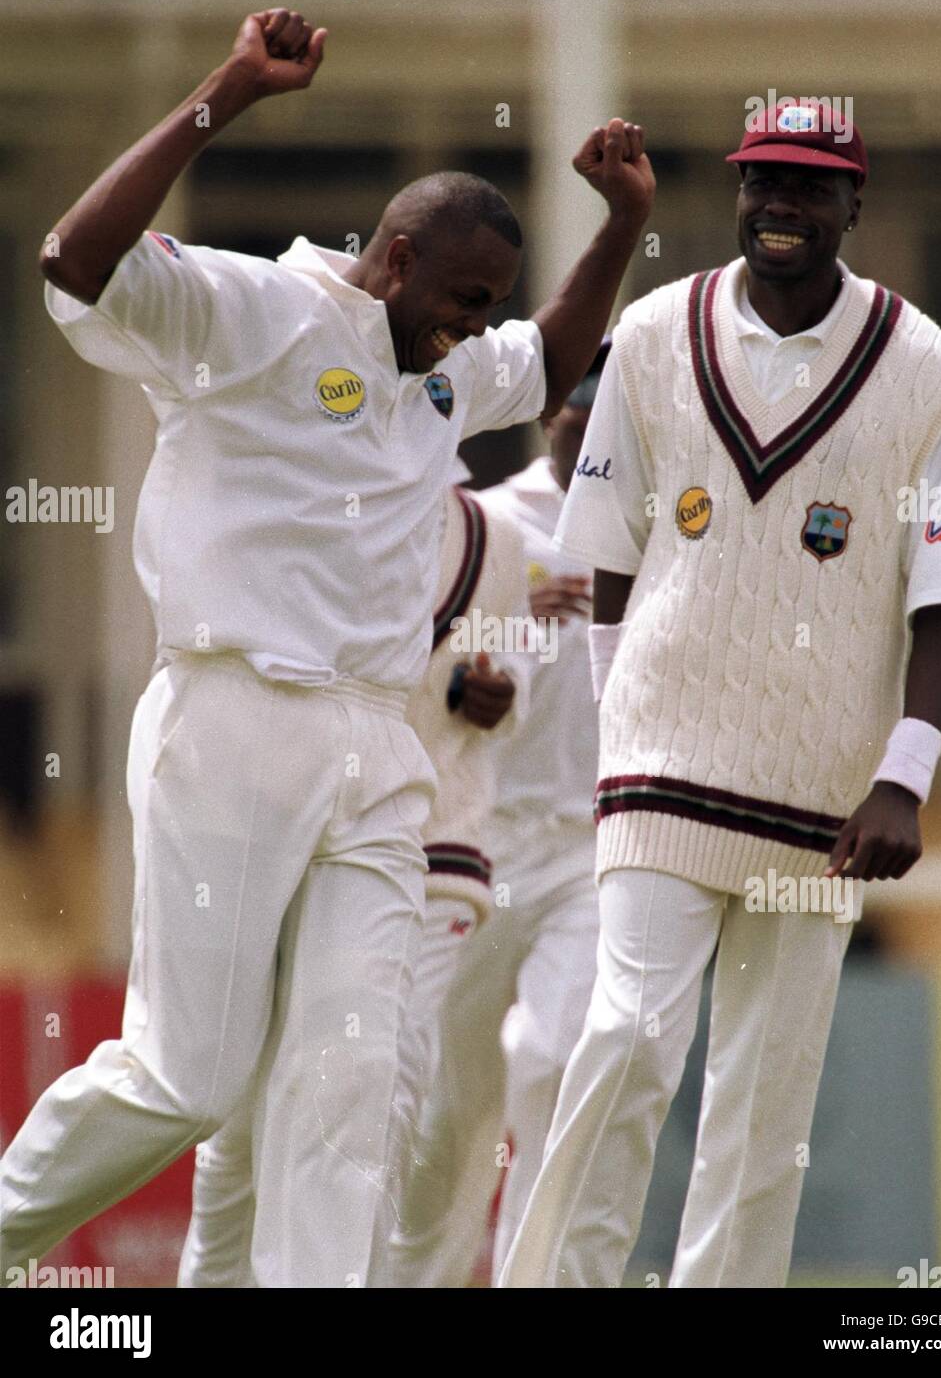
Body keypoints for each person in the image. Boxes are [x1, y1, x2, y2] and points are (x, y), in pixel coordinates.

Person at [0, 7, 655, 1287]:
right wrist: (228, 93)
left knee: (349, 1076)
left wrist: (624, 224)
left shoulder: (448, 376)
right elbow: (74, 260)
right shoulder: (257, 312)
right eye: (462, 301)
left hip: (377, 743)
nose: (473, 330)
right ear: (395, 257)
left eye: (487, 311)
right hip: (235, 716)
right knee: (191, 1076)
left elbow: (555, 353)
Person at [498, 101, 941, 1289]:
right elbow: (598, 543)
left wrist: (903, 778)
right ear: (738, 190)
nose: (781, 206)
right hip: (661, 765)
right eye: (763, 181)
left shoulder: (924, 369)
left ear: (853, 204)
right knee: (621, 1046)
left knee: (765, 1106)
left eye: (811, 187)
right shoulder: (657, 332)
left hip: (820, 801)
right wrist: (622, 719)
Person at [177, 482, 529, 1287]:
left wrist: (496, 696)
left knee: (385, 1076)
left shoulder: (495, 536)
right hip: (290, 832)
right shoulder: (307, 499)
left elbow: (514, 678)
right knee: (241, 1108)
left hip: (434, 835)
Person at [382, 347, 608, 1288]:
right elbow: (457, 681)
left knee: (553, 1061)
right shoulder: (493, 524)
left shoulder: (663, 530)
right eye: (573, 412)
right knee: (450, 1111)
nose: (586, 431)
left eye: (604, 421)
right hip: (486, 839)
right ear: (549, 416)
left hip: (596, 849)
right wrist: (517, 627)